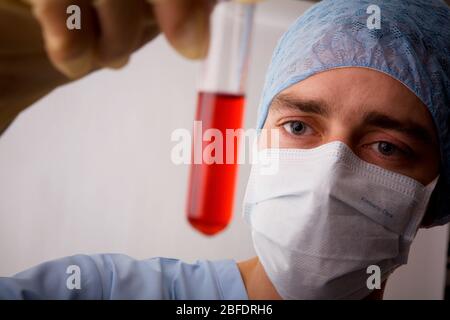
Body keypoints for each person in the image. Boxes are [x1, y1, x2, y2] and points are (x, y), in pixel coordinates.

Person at [0, 0, 449, 300]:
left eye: (387, 147)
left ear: (436, 193)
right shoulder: (102, 290)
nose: (328, 174)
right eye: (297, 125)